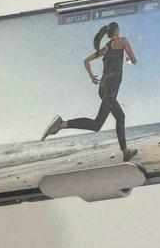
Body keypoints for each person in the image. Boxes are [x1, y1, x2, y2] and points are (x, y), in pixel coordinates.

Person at [41, 21, 138, 162]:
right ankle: (61, 124)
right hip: (110, 89)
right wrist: (128, 58)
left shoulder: (105, 48)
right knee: (113, 119)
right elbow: (134, 61)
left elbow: (86, 61)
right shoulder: (122, 41)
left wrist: (92, 76)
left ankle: (62, 124)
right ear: (117, 30)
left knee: (102, 123)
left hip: (103, 89)